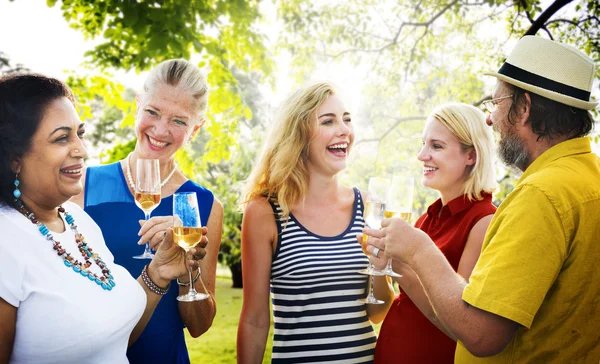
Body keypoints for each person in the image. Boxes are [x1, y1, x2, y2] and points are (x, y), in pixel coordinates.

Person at [365, 35, 600, 362]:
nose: (490, 119)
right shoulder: (588, 177)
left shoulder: (541, 195)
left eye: (497, 104)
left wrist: (418, 249)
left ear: (524, 108)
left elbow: (482, 333)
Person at [0, 73, 208, 363]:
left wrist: (159, 271)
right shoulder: (5, 240)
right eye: (62, 138)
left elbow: (114, 337)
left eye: (80, 134)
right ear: (14, 159)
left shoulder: (77, 220)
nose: (82, 150)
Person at [72, 59, 223, 363]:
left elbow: (199, 326)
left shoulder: (204, 204)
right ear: (138, 105)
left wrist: (188, 270)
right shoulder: (82, 186)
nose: (161, 130)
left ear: (195, 128)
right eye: (153, 112)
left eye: (179, 121)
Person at [237, 82, 394, 363]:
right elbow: (255, 320)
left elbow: (378, 313)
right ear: (298, 135)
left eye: (347, 119)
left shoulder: (369, 206)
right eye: (328, 121)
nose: (344, 130)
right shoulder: (265, 212)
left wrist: (381, 270)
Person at [370, 103, 497, 363]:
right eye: (423, 144)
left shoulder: (484, 220)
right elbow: (379, 312)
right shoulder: (424, 220)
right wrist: (380, 268)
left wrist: (402, 267)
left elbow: (462, 321)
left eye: (436, 146)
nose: (421, 155)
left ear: (470, 156)